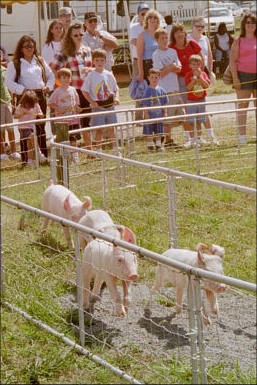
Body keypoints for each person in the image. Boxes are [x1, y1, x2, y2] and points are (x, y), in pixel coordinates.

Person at [5, 35, 55, 161]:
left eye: (32, 46)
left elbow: (51, 76)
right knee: (25, 128)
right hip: (25, 98)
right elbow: (9, 83)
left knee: (40, 125)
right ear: (21, 48)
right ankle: (27, 158)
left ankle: (43, 156)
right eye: (26, 46)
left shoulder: (40, 61)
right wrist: (23, 90)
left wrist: (48, 87)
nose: (29, 49)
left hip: (40, 96)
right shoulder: (15, 63)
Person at [50, 23, 93, 152]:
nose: (79, 37)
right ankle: (70, 152)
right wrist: (62, 81)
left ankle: (89, 150)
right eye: (75, 35)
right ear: (70, 36)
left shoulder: (87, 50)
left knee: (86, 120)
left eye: (81, 34)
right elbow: (53, 67)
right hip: (72, 92)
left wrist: (89, 69)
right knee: (71, 122)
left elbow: (92, 67)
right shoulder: (64, 52)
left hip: (86, 90)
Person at [169, 23, 205, 145]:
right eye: (176, 32)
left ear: (185, 33)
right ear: (173, 35)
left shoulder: (192, 44)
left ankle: (199, 137)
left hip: (195, 79)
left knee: (198, 107)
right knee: (186, 109)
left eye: (181, 31)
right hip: (181, 81)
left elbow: (201, 60)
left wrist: (200, 75)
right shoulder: (171, 48)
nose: (179, 34)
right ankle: (190, 138)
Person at [81, 48, 120, 154]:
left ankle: (115, 148)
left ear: (105, 61)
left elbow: (116, 89)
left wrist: (116, 98)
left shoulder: (109, 74)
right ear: (93, 61)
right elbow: (84, 91)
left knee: (112, 128)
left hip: (110, 105)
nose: (99, 62)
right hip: (98, 107)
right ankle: (98, 150)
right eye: (97, 60)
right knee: (99, 130)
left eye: (102, 60)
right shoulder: (90, 76)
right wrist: (92, 102)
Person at [189, 17, 219, 145]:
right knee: (193, 109)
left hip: (203, 73)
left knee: (203, 107)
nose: (200, 28)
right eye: (197, 26)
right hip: (192, 74)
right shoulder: (188, 39)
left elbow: (210, 56)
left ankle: (211, 136)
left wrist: (209, 71)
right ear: (192, 26)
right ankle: (194, 138)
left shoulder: (205, 39)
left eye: (202, 26)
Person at [152, 27, 184, 148]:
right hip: (165, 89)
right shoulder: (156, 54)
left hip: (175, 88)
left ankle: (163, 134)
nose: (164, 40)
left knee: (182, 115)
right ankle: (167, 139)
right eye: (162, 38)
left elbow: (178, 68)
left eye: (166, 38)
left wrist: (169, 67)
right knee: (167, 116)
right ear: (157, 40)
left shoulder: (173, 52)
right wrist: (171, 67)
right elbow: (160, 72)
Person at [229, 12, 257, 146]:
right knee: (243, 106)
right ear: (244, 25)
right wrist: (235, 78)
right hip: (243, 75)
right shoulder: (238, 40)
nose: (250, 25)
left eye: (253, 22)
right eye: (248, 22)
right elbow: (232, 61)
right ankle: (242, 137)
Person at [48, 68, 81, 163]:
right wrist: (59, 109)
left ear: (71, 78)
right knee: (64, 139)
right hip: (62, 121)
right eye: (63, 77)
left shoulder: (73, 90)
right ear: (59, 79)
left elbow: (76, 103)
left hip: (73, 119)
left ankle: (75, 155)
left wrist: (77, 108)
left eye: (68, 77)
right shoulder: (57, 91)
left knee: (73, 138)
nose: (66, 79)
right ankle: (65, 157)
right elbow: (50, 103)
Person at [129, 2, 150, 120]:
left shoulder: (153, 27)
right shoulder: (134, 27)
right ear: (138, 15)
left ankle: (150, 115)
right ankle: (138, 117)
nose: (145, 16)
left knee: (151, 85)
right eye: (142, 14)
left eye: (147, 14)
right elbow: (134, 42)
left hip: (150, 60)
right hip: (138, 60)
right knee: (139, 86)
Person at [184, 54, 210, 148]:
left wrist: (201, 78)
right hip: (191, 100)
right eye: (194, 64)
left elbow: (206, 86)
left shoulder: (204, 74)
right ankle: (192, 139)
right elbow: (188, 87)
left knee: (199, 120)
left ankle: (199, 138)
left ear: (201, 65)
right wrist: (194, 78)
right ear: (190, 65)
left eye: (198, 64)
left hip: (201, 100)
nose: (196, 66)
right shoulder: (188, 75)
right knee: (191, 121)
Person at [140, 68, 168, 152]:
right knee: (148, 130)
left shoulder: (162, 90)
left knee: (159, 130)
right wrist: (146, 113)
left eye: (156, 77)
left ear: (159, 78)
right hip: (150, 115)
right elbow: (144, 103)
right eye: (152, 77)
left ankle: (158, 144)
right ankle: (149, 145)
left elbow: (164, 103)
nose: (154, 79)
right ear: (148, 78)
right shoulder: (147, 91)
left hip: (159, 115)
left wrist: (165, 112)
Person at [14, 90, 44, 167]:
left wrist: (38, 114)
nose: (27, 105)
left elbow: (41, 115)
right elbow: (15, 116)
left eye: (29, 103)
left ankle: (29, 162)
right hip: (23, 127)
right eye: (26, 102)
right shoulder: (20, 106)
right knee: (32, 136)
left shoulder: (36, 105)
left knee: (30, 145)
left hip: (31, 126)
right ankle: (39, 153)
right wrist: (22, 113)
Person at [0, 48, 21, 161]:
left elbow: (9, 86)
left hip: (7, 102)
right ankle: (2, 152)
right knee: (1, 129)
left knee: (10, 128)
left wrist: (12, 101)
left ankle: (14, 151)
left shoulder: (5, 70)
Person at [137, 9, 161, 83]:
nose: (152, 19)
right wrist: (141, 72)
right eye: (150, 17)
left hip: (161, 64)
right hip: (148, 65)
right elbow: (139, 55)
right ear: (146, 20)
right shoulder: (142, 35)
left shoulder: (161, 33)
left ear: (157, 20)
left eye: (155, 17)